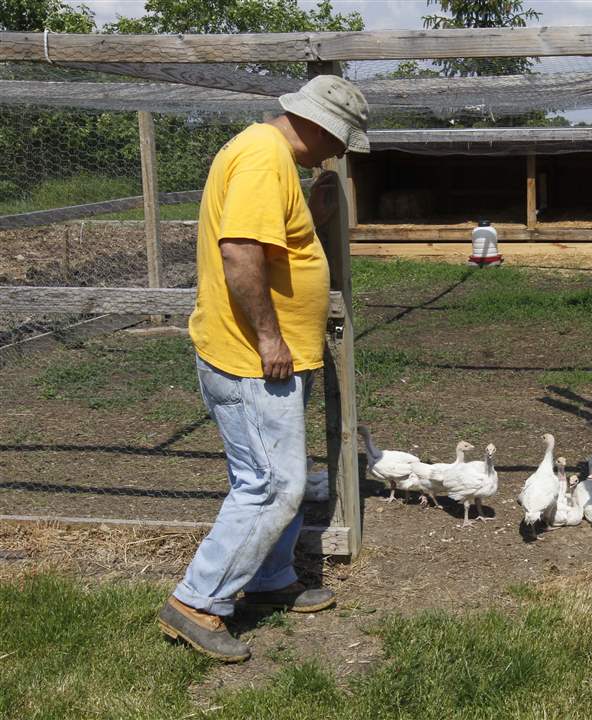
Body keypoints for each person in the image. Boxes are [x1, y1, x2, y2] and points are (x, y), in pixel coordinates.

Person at [157, 75, 369, 662]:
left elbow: (277, 245)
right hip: (253, 359)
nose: (343, 151)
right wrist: (270, 336)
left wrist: (314, 211)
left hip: (268, 358)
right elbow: (240, 252)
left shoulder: (271, 159)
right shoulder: (261, 158)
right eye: (343, 138)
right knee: (273, 485)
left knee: (276, 473)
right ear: (319, 124)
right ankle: (196, 602)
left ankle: (271, 581)